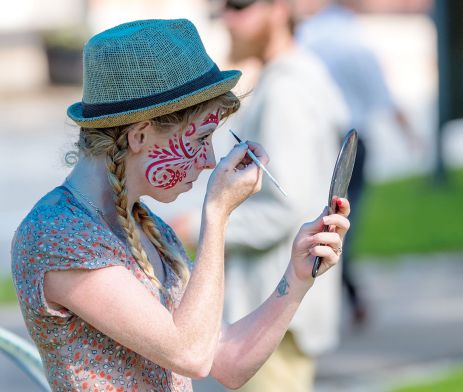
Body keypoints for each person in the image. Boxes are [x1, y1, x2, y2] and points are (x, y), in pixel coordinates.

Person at [10, 19, 350, 392]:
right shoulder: (59, 234)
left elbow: (227, 361)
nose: (208, 160)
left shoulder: (148, 228)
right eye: (202, 137)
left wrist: (297, 276)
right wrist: (217, 215)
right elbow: (191, 356)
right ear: (140, 135)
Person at [202, 0, 348, 391]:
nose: (226, 18)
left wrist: (204, 226)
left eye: (239, 6)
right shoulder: (294, 76)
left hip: (274, 317)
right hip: (279, 312)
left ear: (279, 9)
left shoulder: (286, 91)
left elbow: (286, 210)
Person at [296, 0, 423, 325]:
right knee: (340, 226)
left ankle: (332, 297)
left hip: (315, 143)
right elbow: (384, 97)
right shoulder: (356, 42)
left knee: (316, 220)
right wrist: (412, 138)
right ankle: (339, 295)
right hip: (352, 144)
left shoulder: (309, 34)